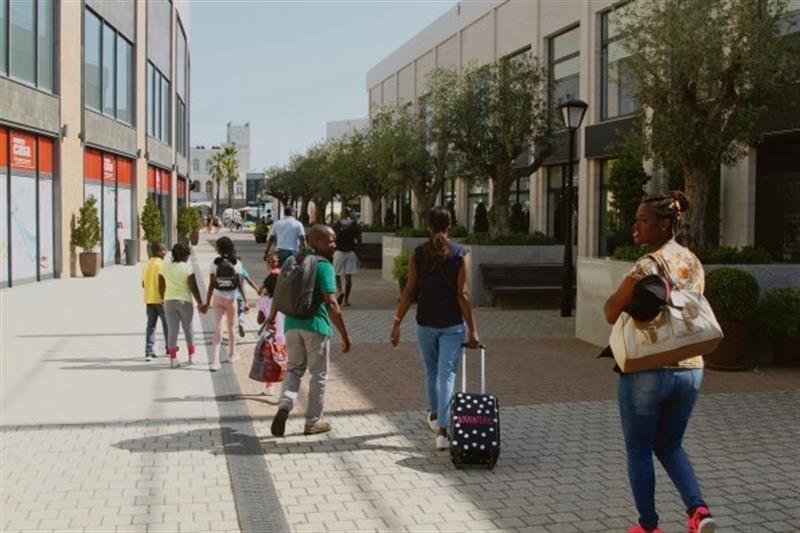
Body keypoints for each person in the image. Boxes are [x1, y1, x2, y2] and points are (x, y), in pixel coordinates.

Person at [603, 191, 716, 533]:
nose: (635, 227)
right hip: (690, 367)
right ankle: (698, 511)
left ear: (665, 224)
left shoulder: (646, 265)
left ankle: (649, 527)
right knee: (669, 444)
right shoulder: (693, 261)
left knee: (639, 449)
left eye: (643, 220)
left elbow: (611, 312)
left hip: (648, 367)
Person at [389, 207, 480, 451]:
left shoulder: (418, 253)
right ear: (450, 225)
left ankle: (434, 414)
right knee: (446, 374)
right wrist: (473, 330)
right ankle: (442, 430)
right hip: (452, 323)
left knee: (431, 372)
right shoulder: (461, 253)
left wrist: (397, 323)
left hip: (425, 322)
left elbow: (409, 291)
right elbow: (462, 294)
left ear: (427, 226)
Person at [267, 224, 352, 437]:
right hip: (316, 326)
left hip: (291, 324)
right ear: (317, 241)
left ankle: (285, 405)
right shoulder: (323, 266)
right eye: (330, 241)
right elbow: (331, 302)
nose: (334, 245)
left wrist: (272, 317)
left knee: (294, 369)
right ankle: (313, 421)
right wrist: (344, 334)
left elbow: (278, 292)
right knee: (319, 375)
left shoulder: (291, 260)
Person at [159, 243, 207, 368]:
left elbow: (161, 283)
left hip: (169, 301)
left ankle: (173, 359)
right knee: (188, 329)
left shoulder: (165, 266)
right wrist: (200, 303)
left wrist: (162, 297)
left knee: (172, 331)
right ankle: (192, 356)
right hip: (185, 302)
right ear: (185, 255)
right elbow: (193, 287)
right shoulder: (187, 268)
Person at [205, 236, 244, 371]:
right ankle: (232, 354)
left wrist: (207, 302)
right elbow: (240, 284)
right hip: (232, 299)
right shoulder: (237, 263)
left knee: (218, 330)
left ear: (218, 249)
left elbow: (211, 284)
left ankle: (214, 362)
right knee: (231, 328)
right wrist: (245, 301)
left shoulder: (214, 263)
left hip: (217, 298)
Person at [256, 271, 283, 396]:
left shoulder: (264, 300)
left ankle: (269, 386)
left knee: (271, 362)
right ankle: (287, 387)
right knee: (288, 361)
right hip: (286, 333)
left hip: (271, 335)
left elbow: (259, 320)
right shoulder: (287, 300)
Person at [142, 242, 168, 361]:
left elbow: (143, 283)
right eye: (163, 250)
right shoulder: (162, 265)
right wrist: (164, 298)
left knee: (150, 326)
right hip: (161, 300)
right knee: (167, 325)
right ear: (158, 252)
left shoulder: (146, 265)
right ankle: (169, 348)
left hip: (149, 299)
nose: (165, 252)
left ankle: (149, 351)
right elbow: (164, 284)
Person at [332, 208, 362, 306]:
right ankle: (346, 300)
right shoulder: (354, 225)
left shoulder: (337, 225)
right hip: (351, 252)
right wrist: (358, 252)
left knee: (336, 274)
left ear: (341, 215)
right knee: (348, 276)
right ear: (350, 214)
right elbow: (359, 239)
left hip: (339, 252)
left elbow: (332, 238)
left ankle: (340, 291)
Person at [235, 260, 260, 338]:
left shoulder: (229, 269)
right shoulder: (242, 270)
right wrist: (257, 289)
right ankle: (240, 323)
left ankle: (231, 331)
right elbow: (250, 281)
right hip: (240, 296)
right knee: (241, 311)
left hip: (229, 296)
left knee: (230, 314)